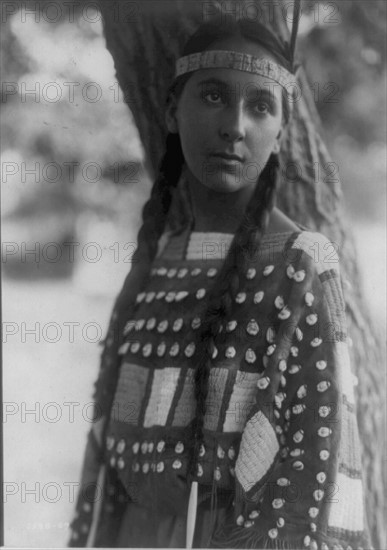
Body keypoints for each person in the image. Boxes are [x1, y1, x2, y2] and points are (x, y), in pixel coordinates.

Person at [68, 15, 372, 550]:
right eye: (212, 96)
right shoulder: (157, 261)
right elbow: (104, 458)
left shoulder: (301, 264)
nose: (235, 125)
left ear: (281, 130)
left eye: (260, 106)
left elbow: (310, 478)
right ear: (171, 110)